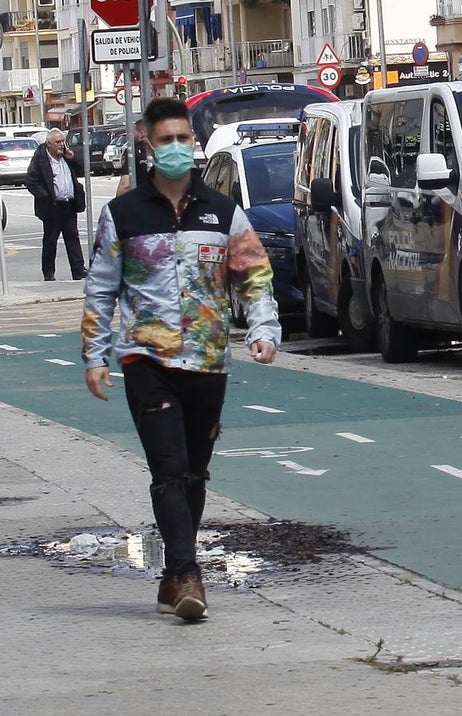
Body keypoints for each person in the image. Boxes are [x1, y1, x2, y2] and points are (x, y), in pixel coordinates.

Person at [81, 97, 281, 623]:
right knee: (168, 469)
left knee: (194, 474)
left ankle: (173, 578)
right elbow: (100, 289)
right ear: (147, 144)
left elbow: (254, 275)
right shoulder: (123, 214)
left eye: (183, 139)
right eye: (165, 140)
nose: (176, 148)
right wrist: (95, 355)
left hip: (208, 363)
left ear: (194, 143)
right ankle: (189, 574)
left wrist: (263, 329)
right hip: (147, 360)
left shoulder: (223, 211)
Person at [25, 128, 87, 281]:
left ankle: (78, 270)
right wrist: (45, 196)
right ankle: (48, 273)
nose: (61, 145)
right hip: (52, 206)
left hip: (69, 204)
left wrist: (73, 158)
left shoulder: (66, 156)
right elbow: (31, 181)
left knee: (72, 237)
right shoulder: (40, 159)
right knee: (51, 240)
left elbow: (82, 170)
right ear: (49, 144)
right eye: (58, 142)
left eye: (62, 141)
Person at [116, 119, 150, 197]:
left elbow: (125, 184)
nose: (132, 135)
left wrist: (117, 202)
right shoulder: (161, 149)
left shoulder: (132, 151)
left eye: (134, 132)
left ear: (141, 133)